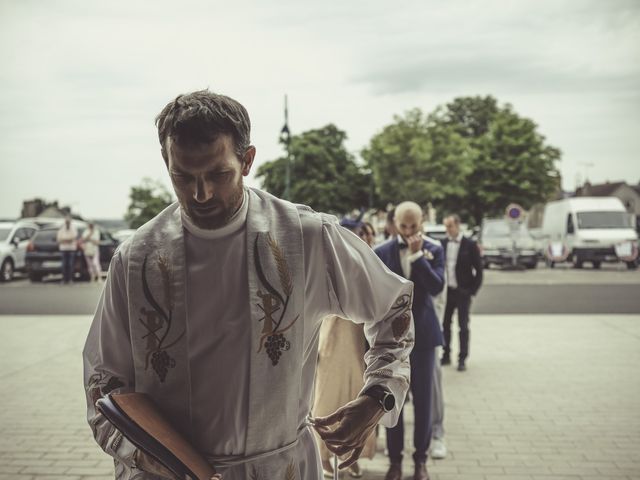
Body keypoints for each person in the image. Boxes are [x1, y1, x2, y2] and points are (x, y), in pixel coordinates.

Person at [83, 90, 415, 480]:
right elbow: (105, 384)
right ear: (165, 160)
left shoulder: (307, 238)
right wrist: (173, 467)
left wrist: (378, 395)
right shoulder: (136, 258)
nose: (200, 194)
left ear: (247, 160)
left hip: (281, 467)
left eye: (217, 175)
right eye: (183, 177)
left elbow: (393, 307)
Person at [374, 202, 444, 480]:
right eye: (403, 226)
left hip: (424, 337)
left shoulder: (434, 249)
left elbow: (437, 286)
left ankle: (421, 461)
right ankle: (394, 462)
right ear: (395, 223)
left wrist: (418, 258)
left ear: (422, 222)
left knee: (424, 401)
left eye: (413, 226)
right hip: (392, 340)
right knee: (392, 401)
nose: (408, 232)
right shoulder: (380, 252)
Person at [312, 218, 377, 479]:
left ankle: (351, 455)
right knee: (327, 394)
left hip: (357, 336)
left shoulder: (367, 262)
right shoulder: (328, 261)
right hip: (332, 333)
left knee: (354, 392)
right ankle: (324, 455)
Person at [441, 214, 483, 371]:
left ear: (458, 225)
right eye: (446, 226)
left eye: (450, 226)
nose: (447, 230)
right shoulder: (442, 244)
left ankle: (462, 358)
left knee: (463, 326)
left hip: (463, 292)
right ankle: (446, 355)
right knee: (445, 325)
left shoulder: (470, 245)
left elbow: (479, 270)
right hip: (447, 291)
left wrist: (471, 291)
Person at [57, 216, 78, 284]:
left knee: (70, 264)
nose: (67, 222)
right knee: (64, 265)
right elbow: (59, 239)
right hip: (63, 249)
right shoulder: (61, 229)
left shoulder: (73, 228)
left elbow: (73, 237)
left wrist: (65, 240)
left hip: (71, 249)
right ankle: (64, 279)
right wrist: (68, 240)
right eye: (66, 221)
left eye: (68, 221)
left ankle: (70, 279)